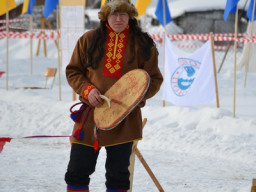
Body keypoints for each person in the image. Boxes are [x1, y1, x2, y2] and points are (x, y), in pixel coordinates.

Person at [64, 0, 163, 191]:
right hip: (89, 117)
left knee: (118, 176)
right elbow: (73, 71)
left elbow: (154, 79)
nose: (119, 19)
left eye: (123, 14)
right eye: (114, 14)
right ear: (105, 17)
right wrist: (87, 90)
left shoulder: (144, 44)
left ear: (130, 17)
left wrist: (133, 99)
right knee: (77, 171)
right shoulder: (88, 39)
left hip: (125, 119)